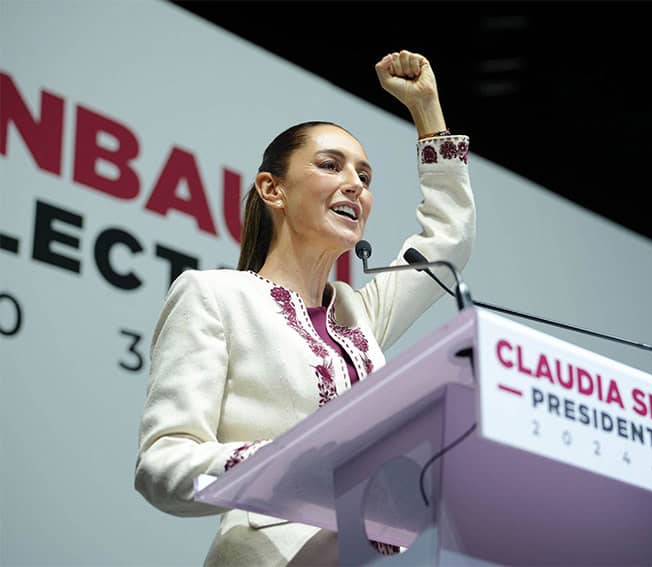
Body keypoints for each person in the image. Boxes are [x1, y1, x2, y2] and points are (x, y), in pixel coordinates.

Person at [134, 50, 475, 565]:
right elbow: (162, 465)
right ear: (272, 189)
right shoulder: (214, 296)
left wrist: (428, 111)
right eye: (330, 165)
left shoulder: (360, 319)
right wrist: (285, 463)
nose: (355, 185)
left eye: (365, 176)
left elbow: (448, 241)